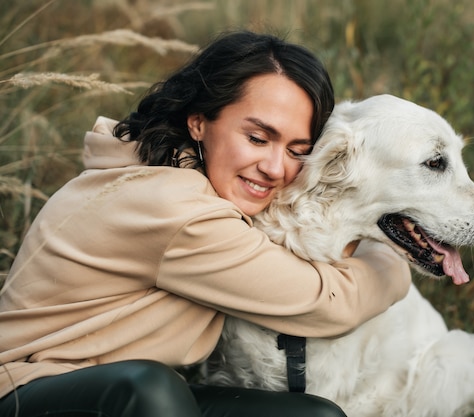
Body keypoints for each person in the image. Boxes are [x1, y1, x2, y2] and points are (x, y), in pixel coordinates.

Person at [0, 31, 411, 417]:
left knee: (314, 414)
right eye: (257, 138)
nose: (274, 167)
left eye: (296, 150)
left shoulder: (176, 178)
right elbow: (326, 304)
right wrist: (391, 256)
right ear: (198, 121)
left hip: (121, 388)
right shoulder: (172, 207)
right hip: (26, 390)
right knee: (151, 388)